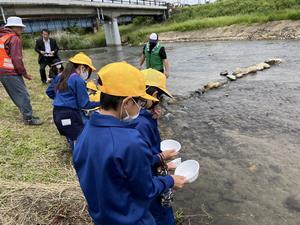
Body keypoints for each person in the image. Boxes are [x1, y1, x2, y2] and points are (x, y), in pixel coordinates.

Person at [73, 62, 186, 225]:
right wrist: (170, 181)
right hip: (131, 218)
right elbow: (146, 189)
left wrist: (158, 160)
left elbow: (116, 169)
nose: (140, 107)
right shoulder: (129, 140)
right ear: (126, 102)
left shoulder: (85, 132)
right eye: (138, 102)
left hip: (102, 217)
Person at [136, 68, 177, 225]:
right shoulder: (142, 123)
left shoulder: (138, 117)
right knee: (161, 216)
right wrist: (162, 158)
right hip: (151, 181)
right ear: (153, 96)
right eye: (159, 96)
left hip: (152, 176)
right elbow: (142, 160)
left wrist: (152, 117)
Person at [47, 52, 101, 146]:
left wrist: (61, 100)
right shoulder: (78, 80)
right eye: (88, 70)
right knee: (79, 141)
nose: (88, 73)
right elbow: (85, 105)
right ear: (82, 67)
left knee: (73, 136)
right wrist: (103, 103)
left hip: (57, 113)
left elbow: (49, 91)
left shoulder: (61, 76)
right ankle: (78, 159)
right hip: (70, 115)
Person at [0, 16, 43, 125]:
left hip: (2, 71)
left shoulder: (3, 36)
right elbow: (16, 59)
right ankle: (28, 119)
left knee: (17, 95)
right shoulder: (14, 38)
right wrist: (24, 74)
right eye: (20, 27)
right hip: (10, 72)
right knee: (23, 95)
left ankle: (27, 114)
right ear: (13, 27)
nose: (21, 30)